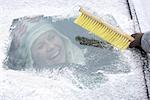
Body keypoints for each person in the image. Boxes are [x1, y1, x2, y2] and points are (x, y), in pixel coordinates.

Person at [4, 16, 85, 70]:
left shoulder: (83, 58)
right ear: (32, 59)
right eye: (40, 46)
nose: (51, 46)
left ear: (62, 37)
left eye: (52, 37)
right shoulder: (33, 86)